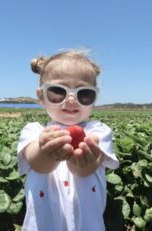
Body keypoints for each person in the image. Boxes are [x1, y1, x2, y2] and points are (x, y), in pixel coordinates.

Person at [17, 50, 119, 230]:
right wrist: (44, 149)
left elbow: (85, 170)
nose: (71, 99)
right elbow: (39, 164)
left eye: (84, 93)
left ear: (94, 99)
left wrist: (81, 158)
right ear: (41, 96)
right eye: (58, 91)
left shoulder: (98, 131)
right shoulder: (34, 131)